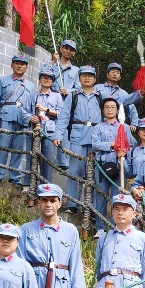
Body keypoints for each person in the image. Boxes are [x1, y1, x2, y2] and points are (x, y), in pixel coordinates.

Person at [0, 53, 38, 186]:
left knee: (18, 151)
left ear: (26, 67)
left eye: (22, 64)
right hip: (6, 117)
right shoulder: (3, 81)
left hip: (23, 120)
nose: (19, 66)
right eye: (17, 63)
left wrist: (33, 120)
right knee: (2, 148)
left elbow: (33, 106)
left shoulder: (31, 86)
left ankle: (15, 178)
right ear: (12, 65)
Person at [55, 65, 102, 198]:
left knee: (94, 172)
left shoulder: (100, 97)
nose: (87, 78)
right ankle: (73, 203)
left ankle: (91, 204)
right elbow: (64, 117)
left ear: (95, 79)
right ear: (79, 78)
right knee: (76, 171)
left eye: (90, 76)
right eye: (84, 75)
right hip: (77, 137)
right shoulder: (73, 95)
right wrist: (58, 135)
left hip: (96, 138)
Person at [89, 97, 137, 225]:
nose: (109, 109)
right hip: (102, 165)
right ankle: (100, 228)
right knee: (101, 196)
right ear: (103, 110)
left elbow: (131, 145)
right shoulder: (98, 127)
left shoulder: (124, 127)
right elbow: (95, 145)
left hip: (119, 164)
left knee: (118, 197)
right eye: (107, 107)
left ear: (117, 110)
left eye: (112, 107)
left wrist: (125, 153)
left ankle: (116, 225)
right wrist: (112, 145)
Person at [32, 67, 67, 186]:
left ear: (52, 81)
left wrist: (46, 109)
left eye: (49, 78)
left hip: (50, 129)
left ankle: (45, 186)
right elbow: (26, 110)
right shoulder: (34, 94)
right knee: (31, 157)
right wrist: (31, 118)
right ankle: (29, 185)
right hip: (34, 127)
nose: (46, 80)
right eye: (43, 77)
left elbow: (61, 113)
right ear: (39, 79)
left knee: (47, 159)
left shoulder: (57, 96)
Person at [94, 62, 142, 129]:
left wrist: (134, 123)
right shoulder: (97, 88)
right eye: (112, 72)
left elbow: (132, 108)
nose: (115, 74)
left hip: (114, 125)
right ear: (107, 75)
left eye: (117, 73)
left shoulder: (123, 93)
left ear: (120, 77)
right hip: (97, 123)